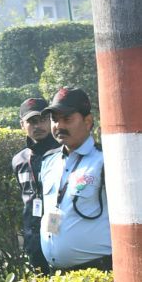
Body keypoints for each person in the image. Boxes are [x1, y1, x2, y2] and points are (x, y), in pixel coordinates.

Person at [38, 87, 112, 272]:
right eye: (55, 119)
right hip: (57, 273)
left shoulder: (105, 160)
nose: (59, 126)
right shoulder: (48, 161)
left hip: (98, 271)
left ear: (88, 121)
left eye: (67, 119)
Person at [12, 97, 57, 274]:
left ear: (51, 120)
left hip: (59, 234)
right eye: (32, 121)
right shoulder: (19, 160)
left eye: (43, 119)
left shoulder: (63, 152)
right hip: (33, 240)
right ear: (22, 125)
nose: (38, 126)